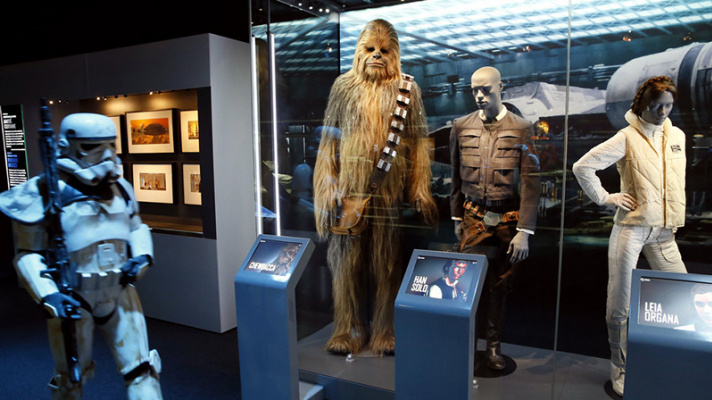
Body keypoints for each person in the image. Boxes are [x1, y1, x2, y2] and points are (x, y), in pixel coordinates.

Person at [0, 113, 163, 399]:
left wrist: (142, 257)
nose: (106, 155)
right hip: (73, 296)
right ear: (67, 147)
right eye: (92, 147)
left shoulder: (121, 188)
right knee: (71, 378)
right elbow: (27, 255)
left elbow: (136, 227)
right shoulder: (42, 192)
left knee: (142, 370)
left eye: (111, 145)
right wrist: (48, 295)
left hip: (119, 290)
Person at [572, 75, 687, 396]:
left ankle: (673, 359)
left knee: (681, 294)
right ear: (643, 104)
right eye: (657, 105)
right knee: (620, 302)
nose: (663, 112)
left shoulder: (677, 136)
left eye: (668, 106)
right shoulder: (626, 137)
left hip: (664, 232)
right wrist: (606, 197)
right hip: (631, 229)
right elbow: (582, 167)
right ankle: (619, 365)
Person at [450, 66, 540, 370]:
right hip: (473, 218)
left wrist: (524, 230)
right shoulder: (461, 126)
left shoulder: (522, 127)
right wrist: (456, 217)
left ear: (501, 87)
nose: (479, 95)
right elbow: (455, 175)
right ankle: (466, 343)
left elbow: (531, 183)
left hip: (508, 222)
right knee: (465, 284)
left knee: (500, 285)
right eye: (474, 90)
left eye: (486, 89)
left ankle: (492, 346)